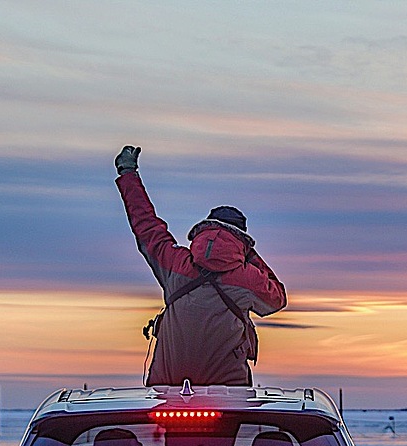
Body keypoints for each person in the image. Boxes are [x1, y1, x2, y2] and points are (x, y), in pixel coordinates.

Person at [114, 145, 287, 386]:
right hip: (228, 388)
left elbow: (146, 225)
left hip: (168, 385)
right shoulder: (248, 278)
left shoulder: (175, 262)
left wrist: (128, 174)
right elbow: (277, 299)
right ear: (242, 240)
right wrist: (250, 255)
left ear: (203, 231)